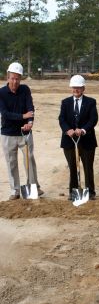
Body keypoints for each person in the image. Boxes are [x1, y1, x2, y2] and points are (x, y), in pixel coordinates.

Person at [0, 62, 43, 200]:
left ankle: (33, 187)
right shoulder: (1, 93)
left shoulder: (25, 90)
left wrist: (30, 123)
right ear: (7, 78)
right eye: (12, 78)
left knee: (29, 160)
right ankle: (15, 191)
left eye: (17, 78)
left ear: (20, 79)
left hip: (25, 132)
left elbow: (30, 108)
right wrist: (23, 117)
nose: (15, 81)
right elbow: (5, 114)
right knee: (11, 162)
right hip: (8, 133)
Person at [59, 75, 98, 200]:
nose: (76, 89)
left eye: (79, 87)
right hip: (69, 141)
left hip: (87, 141)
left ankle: (90, 192)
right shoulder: (65, 102)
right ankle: (73, 191)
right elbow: (62, 119)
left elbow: (93, 119)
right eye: (74, 87)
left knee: (88, 167)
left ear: (83, 88)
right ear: (71, 88)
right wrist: (67, 130)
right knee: (73, 167)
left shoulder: (91, 102)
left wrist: (83, 130)